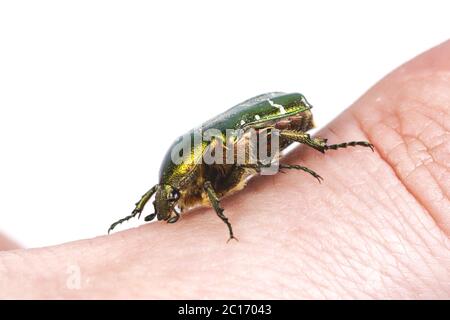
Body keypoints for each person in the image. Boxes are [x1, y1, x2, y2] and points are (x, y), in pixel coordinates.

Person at [1, 40, 449, 299]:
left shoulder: (210, 161)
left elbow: (207, 184)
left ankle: (332, 151)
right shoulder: (183, 167)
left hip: (278, 118)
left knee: (269, 148)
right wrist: (153, 201)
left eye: (170, 196)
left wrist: (221, 219)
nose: (170, 202)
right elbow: (168, 184)